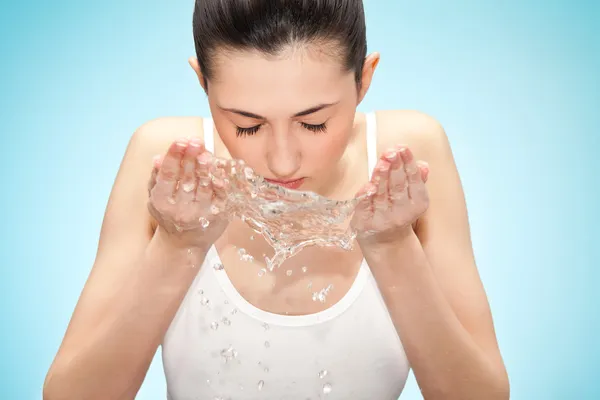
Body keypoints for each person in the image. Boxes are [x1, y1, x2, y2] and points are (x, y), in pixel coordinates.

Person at [43, 1, 510, 399]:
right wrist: (177, 244)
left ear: (363, 80)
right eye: (247, 125)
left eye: (314, 124)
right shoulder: (168, 164)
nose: (282, 162)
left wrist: (392, 248)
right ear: (202, 82)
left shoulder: (405, 156)